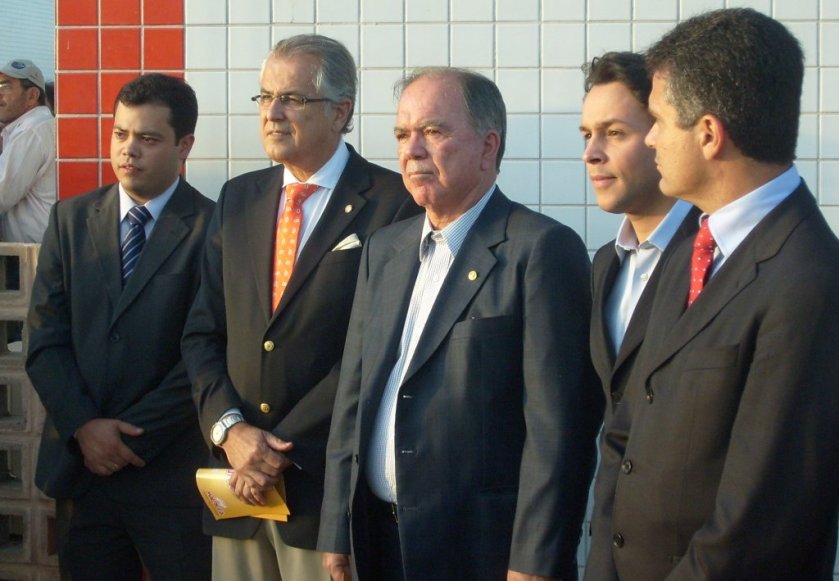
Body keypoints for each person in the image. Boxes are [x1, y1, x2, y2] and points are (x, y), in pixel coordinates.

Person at [318, 67, 602, 581]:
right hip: (379, 542)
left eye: (434, 131)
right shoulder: (385, 248)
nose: (412, 150)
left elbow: (559, 428)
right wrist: (338, 527)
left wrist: (535, 559)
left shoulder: (539, 249)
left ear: (488, 147)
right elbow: (353, 395)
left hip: (481, 550)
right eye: (403, 134)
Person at [588, 8, 839, 580]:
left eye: (656, 120)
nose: (649, 138)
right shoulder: (692, 247)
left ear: (707, 133)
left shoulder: (807, 280)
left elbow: (759, 521)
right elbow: (625, 434)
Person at [181, 34, 418, 580]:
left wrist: (280, 448)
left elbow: (382, 349)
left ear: (341, 111)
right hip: (236, 487)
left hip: (326, 494)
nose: (273, 113)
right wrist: (230, 431)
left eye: (292, 98)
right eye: (264, 97)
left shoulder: (393, 203)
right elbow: (202, 333)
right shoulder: (238, 199)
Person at [26, 73, 214, 580]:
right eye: (121, 134)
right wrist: (85, 427)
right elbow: (45, 340)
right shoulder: (70, 219)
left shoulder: (214, 229)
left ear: (184, 146)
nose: (129, 150)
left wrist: (128, 439)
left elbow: (206, 352)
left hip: (170, 477)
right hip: (82, 474)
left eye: (149, 138)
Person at [578, 52, 698, 580]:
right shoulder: (605, 264)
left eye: (614, 133)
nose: (591, 153)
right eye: (586, 134)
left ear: (660, 136)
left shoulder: (717, 258)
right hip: (610, 554)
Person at [0, 59, 55, 243]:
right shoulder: (33, 128)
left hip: (32, 258)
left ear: (32, 96)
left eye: (5, 86)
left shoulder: (32, 130)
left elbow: (2, 193)